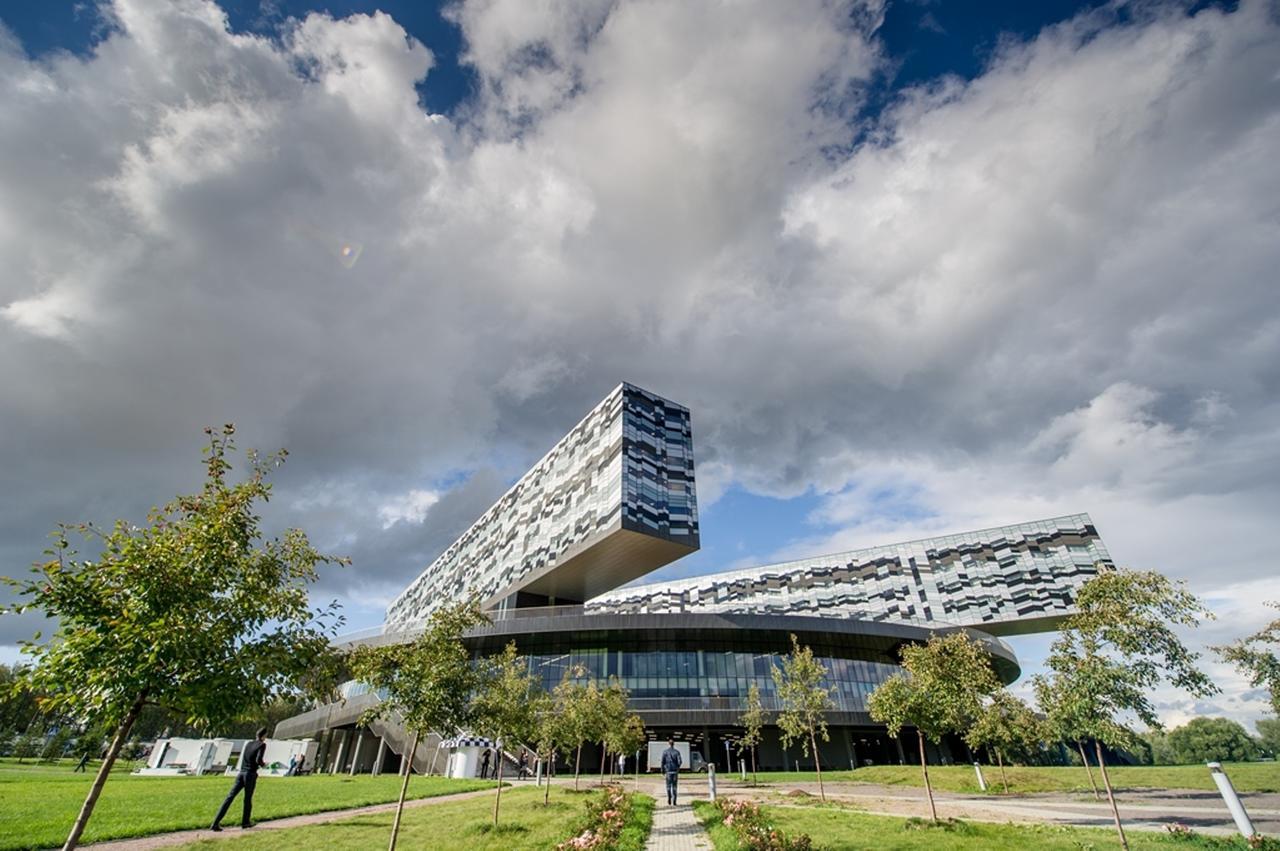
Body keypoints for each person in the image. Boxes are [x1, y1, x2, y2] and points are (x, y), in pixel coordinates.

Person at [211, 728, 268, 831]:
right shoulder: (262, 745)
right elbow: (258, 759)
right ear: (264, 736)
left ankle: (215, 822)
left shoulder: (248, 744)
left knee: (230, 797)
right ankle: (245, 822)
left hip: (241, 773)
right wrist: (263, 765)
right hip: (250, 774)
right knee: (247, 799)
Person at [660, 739, 682, 806]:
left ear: (668, 744)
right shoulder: (677, 752)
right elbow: (680, 762)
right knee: (675, 786)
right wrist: (677, 767)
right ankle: (674, 801)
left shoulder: (665, 752)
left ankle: (669, 797)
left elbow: (662, 762)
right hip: (675, 771)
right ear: (673, 744)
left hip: (668, 771)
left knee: (668, 786)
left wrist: (662, 770)